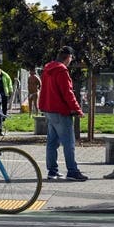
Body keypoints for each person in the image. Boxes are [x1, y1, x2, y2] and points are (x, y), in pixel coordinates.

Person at [39, 46, 88, 181]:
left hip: (49, 109)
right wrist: (77, 109)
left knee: (52, 142)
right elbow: (68, 93)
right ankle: (72, 171)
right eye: (71, 58)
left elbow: (43, 90)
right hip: (61, 111)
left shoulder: (47, 68)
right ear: (69, 57)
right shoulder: (62, 70)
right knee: (69, 143)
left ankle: (52, 171)